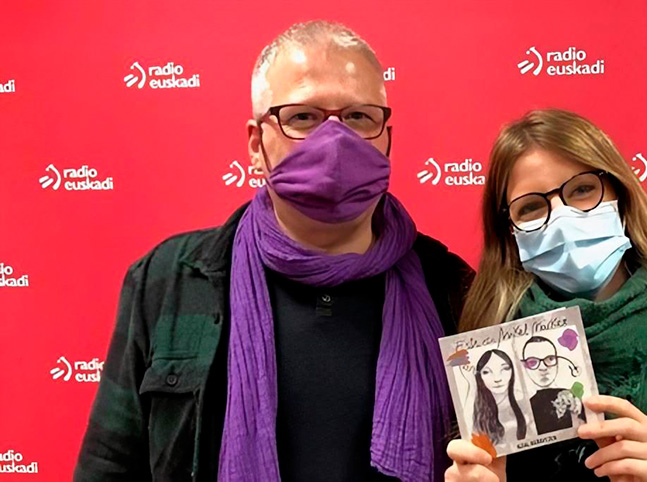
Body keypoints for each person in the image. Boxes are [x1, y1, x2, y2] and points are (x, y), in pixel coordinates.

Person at [74, 20, 473, 482]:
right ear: (255, 144)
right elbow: (109, 466)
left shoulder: (452, 290)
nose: (335, 141)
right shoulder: (168, 281)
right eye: (303, 117)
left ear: (388, 139)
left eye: (360, 117)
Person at [444, 109, 647, 482]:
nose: (561, 218)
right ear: (509, 231)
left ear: (620, 194)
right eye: (530, 207)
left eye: (581, 190)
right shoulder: (488, 360)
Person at [519, 336, 585, 435]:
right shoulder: (523, 406)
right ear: (525, 366)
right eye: (533, 362)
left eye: (550, 359)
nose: (543, 367)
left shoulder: (573, 398)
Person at [472, 349, 529, 448]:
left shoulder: (524, 400)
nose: (497, 379)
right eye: (486, 372)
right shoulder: (479, 410)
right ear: (479, 376)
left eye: (505, 369)